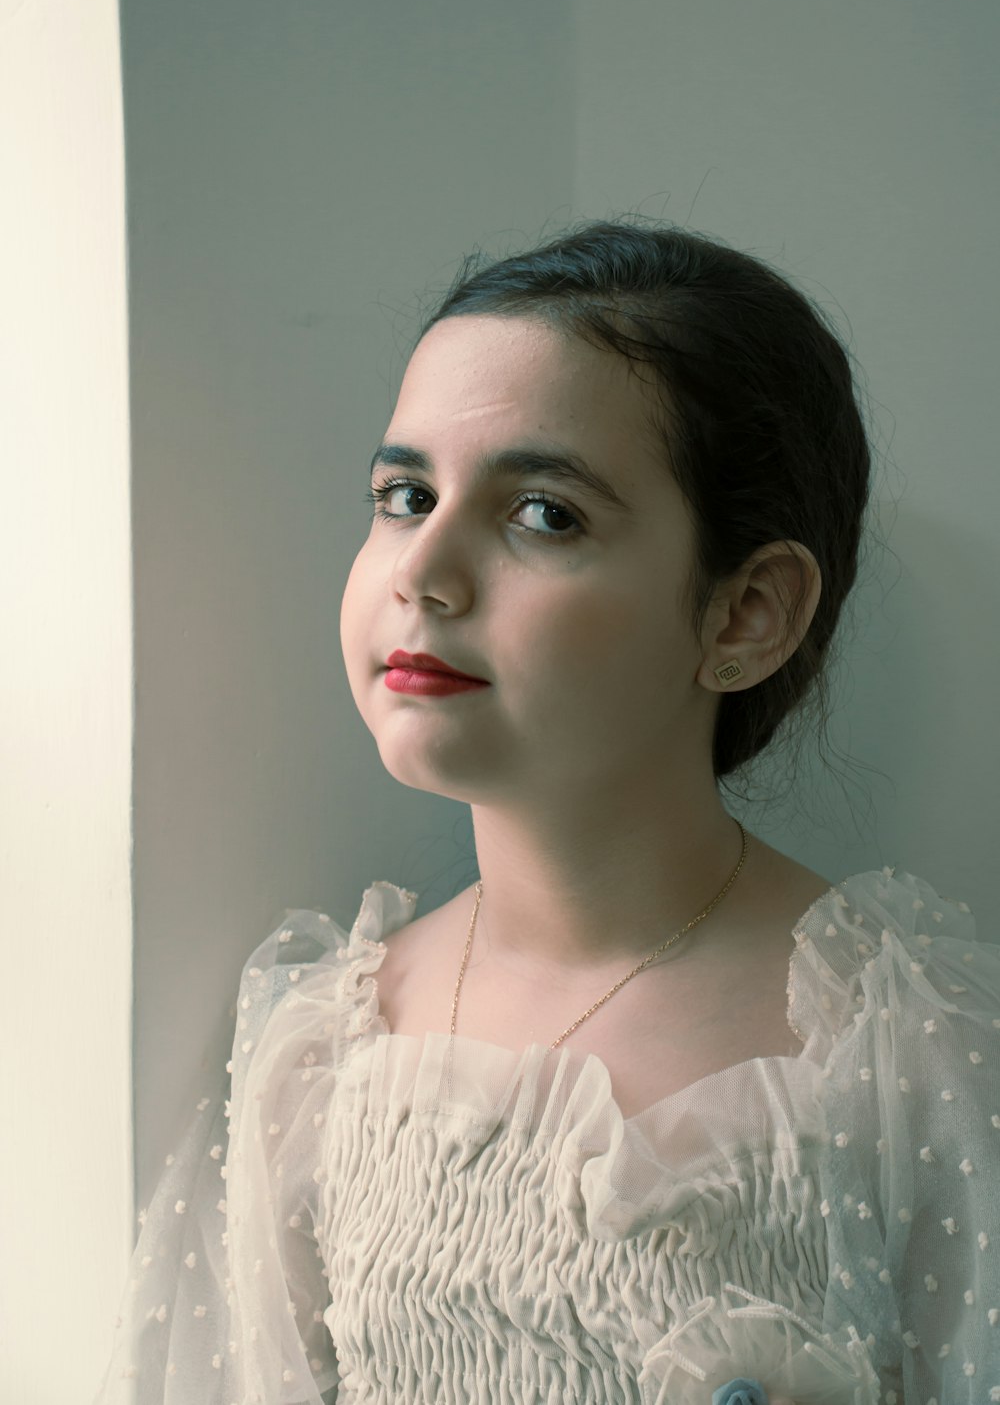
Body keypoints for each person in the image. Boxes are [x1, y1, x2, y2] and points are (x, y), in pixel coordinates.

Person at [91, 220, 1000, 1404]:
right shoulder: (317, 1059)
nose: (425, 569)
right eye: (405, 494)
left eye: (543, 515)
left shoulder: (906, 1057)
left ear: (744, 615)